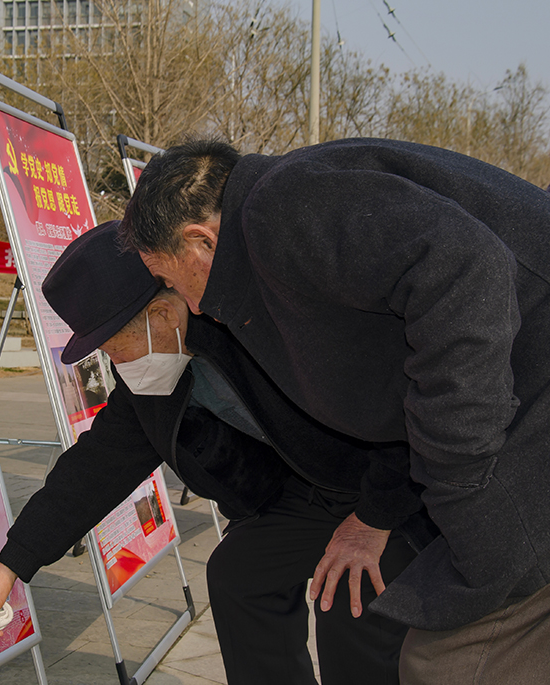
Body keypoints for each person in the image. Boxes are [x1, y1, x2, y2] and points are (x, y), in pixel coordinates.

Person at [119, 137, 550, 683]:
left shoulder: (281, 208)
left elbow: (465, 266)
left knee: (451, 664)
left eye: (171, 280)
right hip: (513, 414)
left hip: (520, 423)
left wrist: (459, 472)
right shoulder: (286, 209)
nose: (188, 303)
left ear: (200, 240)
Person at [0, 221, 421, 685]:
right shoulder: (151, 373)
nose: (115, 363)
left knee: (350, 601)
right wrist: (10, 567)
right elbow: (96, 467)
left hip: (387, 479)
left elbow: (403, 403)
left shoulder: (270, 314)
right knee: (238, 576)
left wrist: (372, 521)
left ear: (161, 314)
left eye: (113, 348)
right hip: (299, 489)